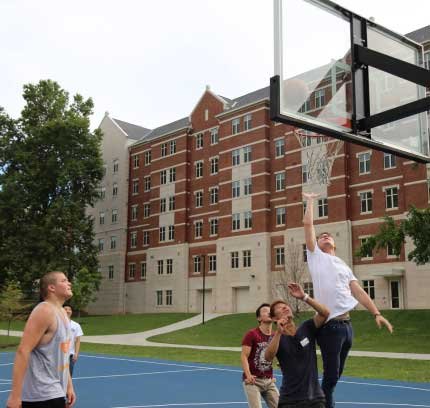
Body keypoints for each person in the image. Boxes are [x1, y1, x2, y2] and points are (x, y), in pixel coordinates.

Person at [302, 191, 393, 408]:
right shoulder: (316, 257)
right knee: (330, 378)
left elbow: (359, 292)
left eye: (328, 235)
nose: (324, 236)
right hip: (330, 327)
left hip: (347, 327)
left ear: (334, 243)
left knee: (335, 377)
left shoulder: (343, 265)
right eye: (321, 235)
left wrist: (377, 314)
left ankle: (320, 401)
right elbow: (308, 225)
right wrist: (310, 201)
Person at [7, 271, 76, 408]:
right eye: (64, 280)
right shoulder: (44, 310)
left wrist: (69, 386)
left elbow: (63, 353)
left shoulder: (62, 312)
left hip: (56, 391)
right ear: (51, 288)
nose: (69, 283)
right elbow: (23, 350)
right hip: (40, 394)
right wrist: (15, 396)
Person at [264, 282, 330, 408]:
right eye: (279, 307)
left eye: (286, 305)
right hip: (290, 401)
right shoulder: (276, 338)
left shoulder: (306, 328)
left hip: (315, 398)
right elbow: (268, 357)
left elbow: (325, 313)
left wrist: (304, 296)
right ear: (273, 318)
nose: (284, 307)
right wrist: (278, 332)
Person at [241, 303, 279, 408]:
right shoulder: (252, 334)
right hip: (253, 381)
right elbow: (244, 356)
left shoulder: (275, 335)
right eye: (265, 311)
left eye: (270, 310)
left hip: (268, 380)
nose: (269, 312)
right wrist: (248, 375)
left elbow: (276, 354)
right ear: (259, 318)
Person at [63, 305, 83, 377]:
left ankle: (68, 388)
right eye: (65, 309)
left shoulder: (76, 325)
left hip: (70, 354)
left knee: (69, 375)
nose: (68, 311)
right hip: (59, 354)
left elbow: (77, 340)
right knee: (59, 375)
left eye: (69, 309)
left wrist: (76, 353)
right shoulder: (56, 323)